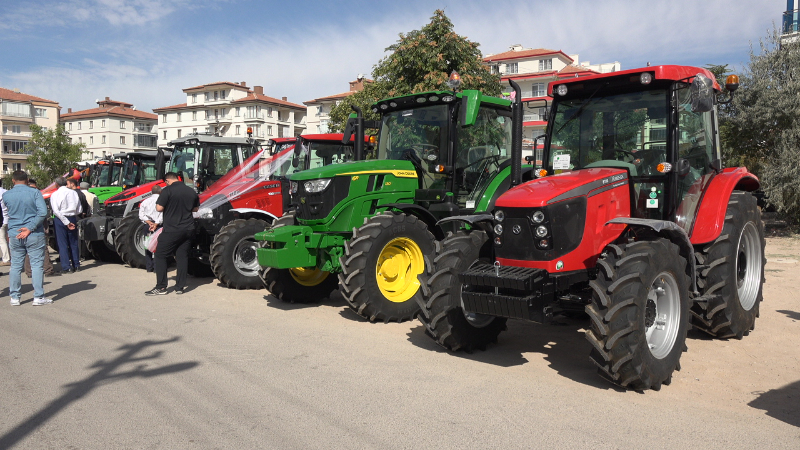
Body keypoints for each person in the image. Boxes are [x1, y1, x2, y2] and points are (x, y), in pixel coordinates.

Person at [2, 170, 52, 305]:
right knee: (36, 265)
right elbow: (43, 212)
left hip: (15, 233)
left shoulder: (6, 195)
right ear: (27, 179)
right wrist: (30, 227)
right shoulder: (35, 193)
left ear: (13, 180)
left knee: (16, 266)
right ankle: (38, 297)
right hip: (34, 233)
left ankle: (15, 297)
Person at [146, 172, 198, 295]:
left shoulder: (167, 191)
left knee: (160, 255)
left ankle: (161, 287)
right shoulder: (191, 191)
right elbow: (195, 209)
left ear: (167, 180)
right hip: (188, 229)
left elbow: (159, 208)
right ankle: (180, 287)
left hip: (172, 229)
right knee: (182, 256)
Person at [22, 179, 56, 277]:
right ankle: (48, 269)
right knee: (43, 247)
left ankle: (29, 271)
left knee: (28, 248)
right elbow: (43, 212)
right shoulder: (37, 194)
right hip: (38, 224)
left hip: (26, 224)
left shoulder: (24, 196)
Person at [50, 176, 82, 273]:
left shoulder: (55, 194)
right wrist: (70, 218)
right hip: (72, 216)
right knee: (73, 242)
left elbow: (55, 211)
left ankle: (66, 267)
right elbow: (79, 209)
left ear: (56, 184)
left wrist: (65, 221)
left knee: (62, 243)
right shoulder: (74, 193)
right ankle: (76, 265)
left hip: (60, 218)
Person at [138, 184, 163, 272]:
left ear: (151, 192)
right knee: (158, 247)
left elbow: (141, 215)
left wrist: (149, 222)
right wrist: (156, 224)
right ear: (160, 192)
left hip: (147, 226)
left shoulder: (145, 201)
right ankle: (157, 268)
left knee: (147, 246)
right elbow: (162, 215)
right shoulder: (162, 201)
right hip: (159, 227)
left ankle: (149, 267)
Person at [0, 185, 10, 266]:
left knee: (2, 240)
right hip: (8, 218)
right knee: (8, 239)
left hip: (1, 220)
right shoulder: (6, 192)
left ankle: (6, 259)